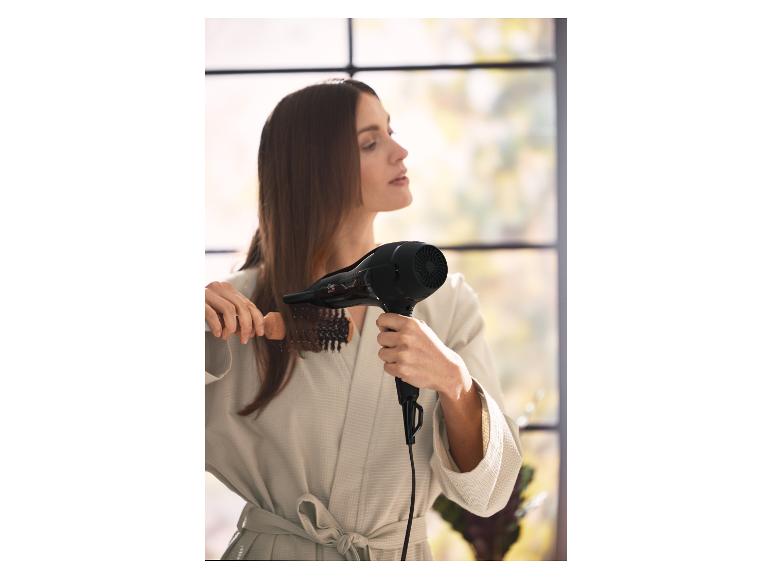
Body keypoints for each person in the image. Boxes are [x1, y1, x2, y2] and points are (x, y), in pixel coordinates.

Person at [205, 78, 523, 560]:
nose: (400, 151)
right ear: (315, 166)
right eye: (371, 143)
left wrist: (455, 383)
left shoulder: (446, 301)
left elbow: (488, 494)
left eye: (390, 132)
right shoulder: (242, 308)